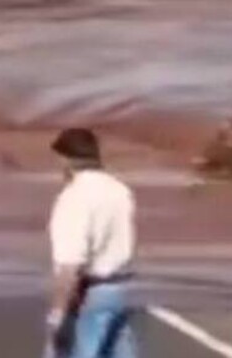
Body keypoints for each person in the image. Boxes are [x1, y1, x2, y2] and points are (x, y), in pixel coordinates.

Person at [45, 128, 138, 358]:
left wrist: (57, 314)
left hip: (89, 294)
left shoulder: (74, 198)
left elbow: (70, 264)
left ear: (65, 159)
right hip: (120, 289)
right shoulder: (119, 190)